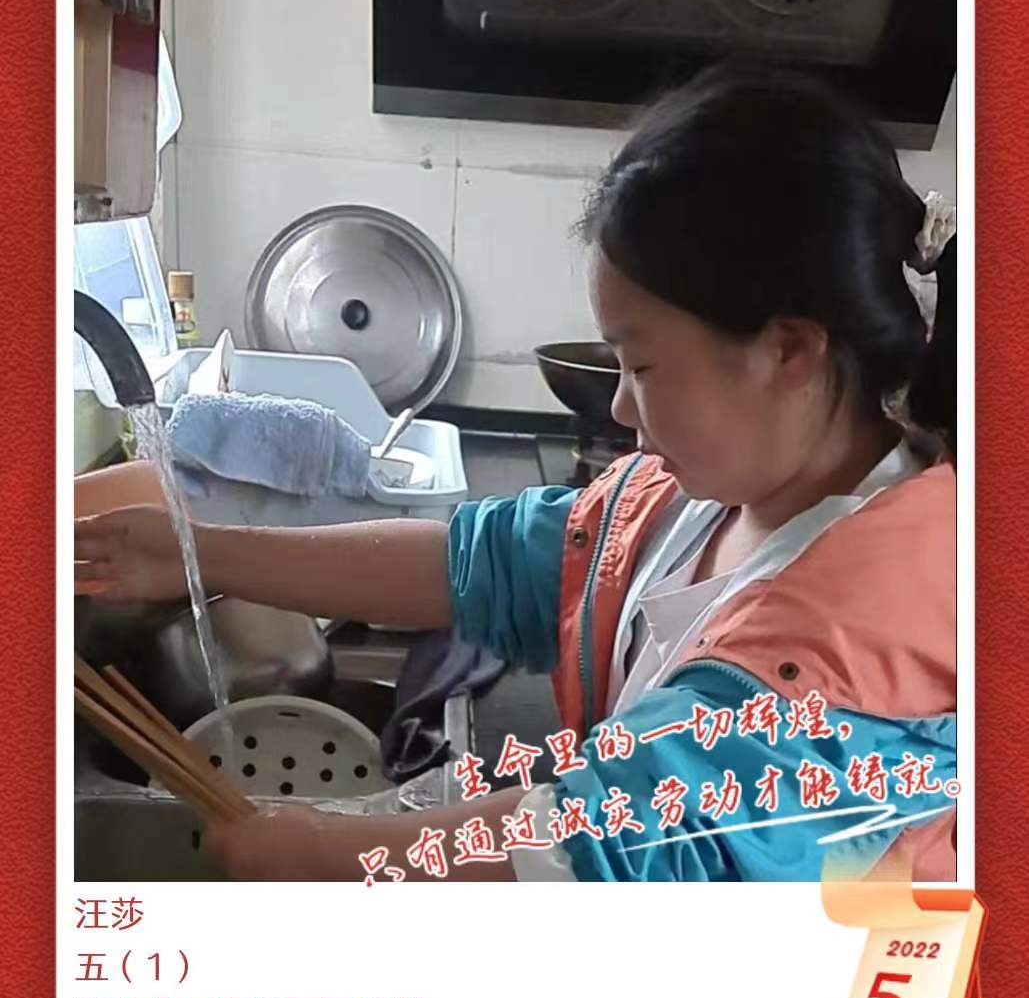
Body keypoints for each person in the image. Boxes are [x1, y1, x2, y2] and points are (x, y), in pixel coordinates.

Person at [74, 62, 958, 884]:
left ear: (787, 351)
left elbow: (614, 843)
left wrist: (323, 852)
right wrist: (197, 551)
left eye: (642, 366)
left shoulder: (880, 617)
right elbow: (479, 565)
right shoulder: (698, 499)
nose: (621, 408)